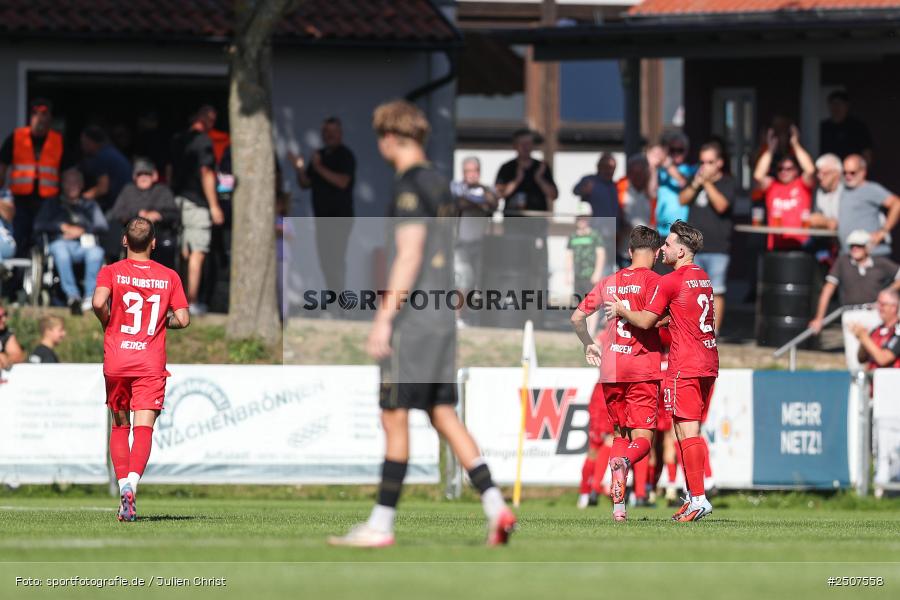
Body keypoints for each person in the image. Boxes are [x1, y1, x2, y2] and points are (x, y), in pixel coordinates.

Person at [329, 100, 515, 548]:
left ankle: (380, 525)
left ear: (390, 138)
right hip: (442, 316)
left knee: (392, 414)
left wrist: (384, 318)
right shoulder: (441, 184)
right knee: (443, 414)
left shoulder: (410, 186)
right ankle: (496, 507)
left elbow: (410, 253)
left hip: (414, 317)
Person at [605, 220, 718, 522]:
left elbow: (643, 321)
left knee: (686, 431)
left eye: (667, 245)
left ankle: (698, 499)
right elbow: (675, 316)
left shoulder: (671, 281)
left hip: (685, 364)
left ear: (681, 250)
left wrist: (621, 310)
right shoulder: (702, 278)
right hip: (708, 361)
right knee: (683, 432)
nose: (662, 249)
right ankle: (692, 496)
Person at [91, 216, 190, 522]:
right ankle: (132, 485)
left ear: (124, 241)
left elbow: (97, 303)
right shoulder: (169, 276)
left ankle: (122, 486)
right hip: (150, 361)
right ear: (154, 243)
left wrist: (109, 321)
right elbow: (183, 319)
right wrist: (163, 322)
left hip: (118, 358)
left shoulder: (111, 271)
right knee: (144, 427)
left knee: (121, 426)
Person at [573, 225, 663, 522]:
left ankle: (619, 509)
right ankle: (625, 463)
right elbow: (657, 321)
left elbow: (577, 317)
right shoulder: (655, 282)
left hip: (611, 369)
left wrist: (588, 344)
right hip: (641, 368)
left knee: (619, 435)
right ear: (657, 252)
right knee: (643, 440)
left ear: (629, 252)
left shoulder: (610, 281)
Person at [809, 229, 900, 370]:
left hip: (875, 314)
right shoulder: (843, 262)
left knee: (878, 356)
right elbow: (828, 289)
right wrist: (819, 318)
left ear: (867, 247)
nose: (855, 249)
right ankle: (858, 390)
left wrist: (888, 291)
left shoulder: (880, 263)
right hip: (852, 316)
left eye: (859, 245)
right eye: (852, 246)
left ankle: (874, 389)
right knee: (854, 361)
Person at [287, 116, 356, 293]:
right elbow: (305, 184)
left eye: (333, 132)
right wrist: (299, 168)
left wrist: (318, 168)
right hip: (321, 217)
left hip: (340, 217)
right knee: (325, 259)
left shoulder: (345, 156)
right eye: (326, 132)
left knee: (336, 259)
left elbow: (342, 182)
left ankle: (341, 301)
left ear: (340, 134)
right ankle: (333, 297)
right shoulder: (319, 156)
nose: (329, 136)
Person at [168, 105, 225, 314]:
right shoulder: (203, 141)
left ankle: (176, 299)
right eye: (210, 119)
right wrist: (214, 206)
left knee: (182, 251)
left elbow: (170, 170)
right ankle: (190, 301)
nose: (212, 124)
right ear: (201, 118)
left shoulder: (177, 140)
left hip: (177, 201)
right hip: (197, 203)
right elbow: (206, 172)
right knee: (197, 253)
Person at [679, 141, 736, 333]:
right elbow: (683, 199)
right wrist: (696, 183)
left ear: (719, 163)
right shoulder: (695, 180)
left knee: (715, 291)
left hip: (718, 247)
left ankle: (713, 333)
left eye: (709, 162)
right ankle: (693, 330)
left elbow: (721, 206)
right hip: (694, 248)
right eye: (702, 162)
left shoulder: (728, 182)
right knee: (692, 290)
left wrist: (707, 184)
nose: (704, 166)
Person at [33, 168, 108, 314]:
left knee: (97, 253)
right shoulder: (52, 203)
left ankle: (89, 296)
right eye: (69, 182)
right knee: (61, 251)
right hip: (60, 242)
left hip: (84, 244)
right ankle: (72, 295)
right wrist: (61, 226)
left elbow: (102, 225)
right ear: (62, 185)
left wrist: (82, 230)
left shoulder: (89, 205)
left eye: (76, 182)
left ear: (81, 185)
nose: (73, 186)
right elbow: (38, 225)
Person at [0, 98, 64, 256]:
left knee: (44, 239)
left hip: (48, 201)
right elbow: (2, 167)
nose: (40, 118)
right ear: (30, 116)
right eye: (35, 114)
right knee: (19, 237)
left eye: (44, 114)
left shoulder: (58, 140)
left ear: (50, 117)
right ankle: (15, 277)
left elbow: (69, 174)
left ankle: (44, 277)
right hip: (20, 200)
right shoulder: (16, 137)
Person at [452, 156, 498, 327]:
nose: (471, 175)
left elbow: (493, 203)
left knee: (477, 282)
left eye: (474, 171)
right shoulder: (456, 187)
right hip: (460, 242)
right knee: (462, 280)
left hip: (481, 243)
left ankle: (473, 317)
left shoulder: (485, 189)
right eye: (468, 171)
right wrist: (479, 205)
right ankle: (457, 317)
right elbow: (459, 202)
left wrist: (480, 199)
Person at [753, 126, 816, 250]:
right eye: (780, 169)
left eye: (789, 169)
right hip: (776, 243)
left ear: (796, 171)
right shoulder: (772, 185)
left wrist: (796, 144)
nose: (784, 172)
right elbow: (758, 175)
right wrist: (770, 150)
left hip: (801, 243)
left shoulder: (802, 184)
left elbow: (810, 169)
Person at [108, 158, 179, 269]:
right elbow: (116, 213)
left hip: (159, 236)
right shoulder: (128, 190)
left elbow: (175, 215)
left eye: (147, 173)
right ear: (134, 176)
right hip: (132, 237)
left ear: (154, 175)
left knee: (167, 247)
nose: (144, 177)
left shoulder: (163, 191)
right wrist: (138, 214)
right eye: (140, 174)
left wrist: (159, 215)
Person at [837, 154, 900, 257]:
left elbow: (897, 203)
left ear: (863, 172)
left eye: (852, 172)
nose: (848, 176)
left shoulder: (871, 189)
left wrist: (883, 231)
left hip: (872, 255)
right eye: (845, 172)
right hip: (849, 255)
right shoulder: (843, 190)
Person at [495, 129, 558, 214]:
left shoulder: (541, 167)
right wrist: (516, 180)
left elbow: (554, 195)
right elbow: (498, 194)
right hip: (513, 220)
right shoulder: (507, 167)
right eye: (522, 144)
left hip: (537, 220)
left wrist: (539, 179)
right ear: (515, 146)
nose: (526, 147)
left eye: (529, 143)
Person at [567, 202, 604, 335]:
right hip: (578, 275)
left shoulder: (595, 235)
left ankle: (592, 331)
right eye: (579, 217)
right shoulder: (573, 237)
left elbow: (600, 254)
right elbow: (569, 256)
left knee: (592, 304)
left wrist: (597, 272)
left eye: (584, 217)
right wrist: (569, 274)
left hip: (590, 275)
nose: (581, 220)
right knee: (579, 304)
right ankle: (581, 330)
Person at [80, 125, 132, 212]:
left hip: (118, 205)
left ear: (91, 142)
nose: (82, 146)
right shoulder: (110, 151)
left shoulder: (101, 157)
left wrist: (80, 199)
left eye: (84, 142)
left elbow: (102, 188)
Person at [655, 132, 696, 237]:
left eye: (680, 150)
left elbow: (684, 183)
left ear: (686, 152)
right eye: (672, 150)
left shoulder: (691, 170)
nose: (676, 153)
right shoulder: (660, 171)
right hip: (660, 230)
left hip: (681, 232)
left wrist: (669, 166)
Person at [853, 289, 900, 371]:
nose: (879, 308)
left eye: (883, 304)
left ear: (894, 307)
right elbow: (861, 358)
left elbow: (883, 359)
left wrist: (864, 337)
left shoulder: (898, 330)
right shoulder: (876, 330)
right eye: (878, 304)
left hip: (893, 381)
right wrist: (862, 338)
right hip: (874, 381)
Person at [820, 90, 873, 163]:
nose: (836, 107)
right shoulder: (823, 127)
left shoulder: (858, 127)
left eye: (839, 104)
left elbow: (866, 153)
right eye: (833, 104)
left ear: (847, 105)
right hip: (828, 170)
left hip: (850, 170)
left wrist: (861, 171)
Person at [809, 153, 843, 231]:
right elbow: (814, 219)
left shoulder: (848, 191)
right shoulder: (818, 192)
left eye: (824, 173)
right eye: (818, 173)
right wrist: (827, 222)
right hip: (824, 239)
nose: (819, 177)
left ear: (837, 173)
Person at [0, 304, 25, 369]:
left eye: (5, 315)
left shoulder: (5, 333)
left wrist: (7, 359)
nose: (4, 319)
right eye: (0, 316)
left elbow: (18, 356)